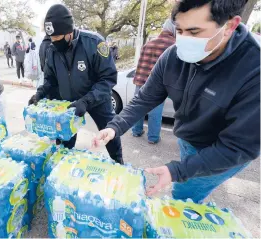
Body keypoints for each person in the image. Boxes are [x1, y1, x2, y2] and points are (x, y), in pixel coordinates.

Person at [93, 0, 260, 203]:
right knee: (185, 177)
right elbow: (145, 98)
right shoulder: (173, 56)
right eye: (179, 30)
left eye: (194, 31)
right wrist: (114, 127)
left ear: (229, 26)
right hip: (188, 137)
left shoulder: (253, 70)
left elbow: (239, 147)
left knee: (183, 196)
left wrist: (177, 171)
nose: (184, 40)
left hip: (220, 150)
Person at [29, 4, 123, 164]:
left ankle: (118, 162)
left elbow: (108, 78)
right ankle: (65, 166)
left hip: (97, 100)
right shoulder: (52, 50)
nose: (54, 43)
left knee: (109, 134)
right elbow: (50, 80)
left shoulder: (94, 43)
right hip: (70, 103)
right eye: (52, 39)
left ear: (69, 32)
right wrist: (40, 93)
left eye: (58, 39)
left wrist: (86, 101)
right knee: (66, 140)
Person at [132, 19, 176, 144]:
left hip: (141, 81)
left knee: (138, 108)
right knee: (155, 112)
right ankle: (153, 138)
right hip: (157, 85)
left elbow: (140, 64)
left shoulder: (148, 44)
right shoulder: (174, 45)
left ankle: (136, 131)